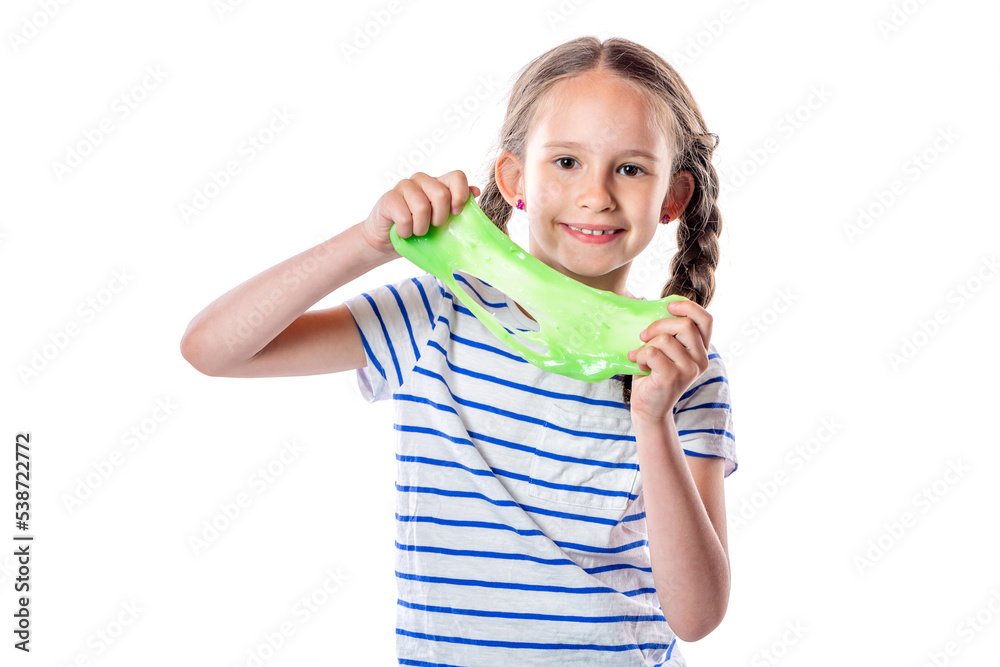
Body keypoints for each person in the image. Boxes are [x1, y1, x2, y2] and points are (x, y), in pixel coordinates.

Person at [181, 35, 736, 666]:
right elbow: (213, 350)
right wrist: (366, 245)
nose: (597, 194)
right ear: (515, 179)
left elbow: (696, 617)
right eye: (566, 162)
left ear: (673, 198)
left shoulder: (683, 367)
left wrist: (653, 419)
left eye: (630, 169)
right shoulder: (437, 313)